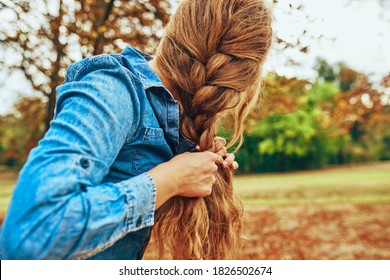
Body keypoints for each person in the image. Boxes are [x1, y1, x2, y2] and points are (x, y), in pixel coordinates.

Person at [0, 0, 272, 260]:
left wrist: (194, 168)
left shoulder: (166, 116)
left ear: (176, 29)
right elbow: (30, 233)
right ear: (244, 78)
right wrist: (168, 179)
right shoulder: (113, 91)